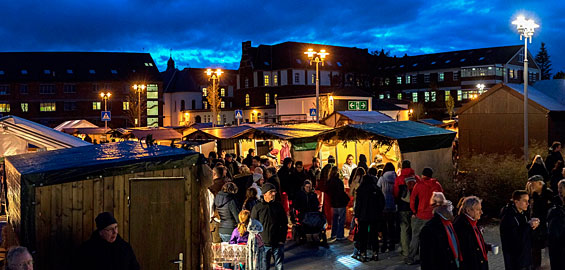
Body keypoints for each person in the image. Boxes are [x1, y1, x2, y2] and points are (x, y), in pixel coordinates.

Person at [405, 167, 443, 265]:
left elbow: (412, 199)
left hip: (420, 215)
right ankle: (429, 257)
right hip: (433, 215)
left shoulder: (418, 185)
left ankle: (411, 258)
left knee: (416, 237)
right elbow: (441, 201)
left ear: (423, 175)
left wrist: (414, 211)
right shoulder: (437, 185)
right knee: (431, 238)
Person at [251, 183, 287, 270]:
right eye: (271, 192)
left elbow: (284, 223)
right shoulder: (257, 208)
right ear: (264, 194)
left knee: (279, 266)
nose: (274, 194)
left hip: (277, 243)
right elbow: (253, 226)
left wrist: (282, 239)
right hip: (263, 245)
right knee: (264, 267)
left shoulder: (278, 206)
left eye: (275, 192)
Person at [500, 190, 539, 270]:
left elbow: (528, 237)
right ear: (516, 202)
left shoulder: (522, 215)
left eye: (528, 201)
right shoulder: (508, 217)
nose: (528, 204)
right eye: (525, 201)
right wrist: (529, 225)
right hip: (515, 262)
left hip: (526, 260)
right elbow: (515, 240)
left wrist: (534, 226)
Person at [420, 196, 462, 270]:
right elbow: (426, 257)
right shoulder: (430, 229)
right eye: (449, 209)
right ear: (442, 210)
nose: (452, 212)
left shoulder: (449, 224)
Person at [354, 171, 385, 262]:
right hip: (374, 216)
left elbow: (358, 205)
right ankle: (375, 253)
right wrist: (379, 211)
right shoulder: (376, 189)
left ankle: (363, 254)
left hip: (363, 216)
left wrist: (357, 215)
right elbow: (382, 202)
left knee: (363, 235)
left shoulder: (360, 190)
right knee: (374, 235)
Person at [526, 175, 554, 269]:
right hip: (535, 225)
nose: (531, 186)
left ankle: (548, 266)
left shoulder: (548, 194)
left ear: (540, 183)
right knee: (535, 247)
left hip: (546, 224)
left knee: (548, 247)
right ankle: (536, 266)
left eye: (533, 184)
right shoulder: (533, 195)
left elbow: (550, 209)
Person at [453, 196, 489, 270]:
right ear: (468, 210)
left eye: (481, 209)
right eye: (478, 209)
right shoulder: (462, 226)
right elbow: (467, 251)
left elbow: (475, 243)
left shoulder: (472, 223)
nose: (481, 212)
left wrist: (486, 247)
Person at [394, 160, 420, 257]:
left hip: (403, 207)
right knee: (415, 230)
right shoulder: (416, 178)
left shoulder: (399, 179)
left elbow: (396, 193)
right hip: (416, 208)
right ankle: (415, 250)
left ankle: (406, 251)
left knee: (404, 229)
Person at [377, 162, 397, 253]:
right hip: (393, 204)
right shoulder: (396, 177)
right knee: (392, 225)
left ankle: (384, 244)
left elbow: (378, 190)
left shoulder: (382, 178)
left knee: (384, 226)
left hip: (383, 205)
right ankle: (392, 244)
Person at [327, 166, 350, 242]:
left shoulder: (329, 181)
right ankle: (340, 235)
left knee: (335, 219)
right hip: (340, 203)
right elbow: (341, 192)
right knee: (341, 219)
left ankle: (334, 234)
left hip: (333, 203)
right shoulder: (339, 181)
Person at [547, 179, 565, 270]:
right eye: (558, 188)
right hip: (555, 245)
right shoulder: (555, 204)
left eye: (561, 188)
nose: (559, 190)